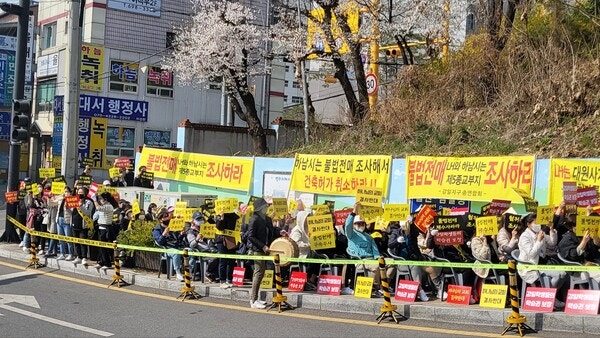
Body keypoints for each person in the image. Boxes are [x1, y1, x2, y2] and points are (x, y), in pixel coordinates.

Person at [345, 202, 396, 297]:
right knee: (376, 266)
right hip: (361, 260)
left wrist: (378, 257)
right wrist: (353, 212)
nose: (360, 225)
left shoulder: (369, 236)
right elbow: (347, 225)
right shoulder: (351, 234)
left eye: (362, 223)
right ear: (354, 225)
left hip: (372, 259)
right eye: (357, 223)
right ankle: (376, 288)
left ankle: (383, 285)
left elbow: (375, 250)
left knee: (392, 262)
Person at [518, 212, 568, 308]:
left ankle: (549, 296)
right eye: (535, 222)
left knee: (563, 274)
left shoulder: (540, 232)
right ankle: (550, 298)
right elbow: (531, 254)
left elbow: (552, 243)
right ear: (528, 224)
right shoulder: (524, 236)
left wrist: (551, 229)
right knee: (558, 275)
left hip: (541, 263)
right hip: (529, 266)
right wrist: (539, 241)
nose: (538, 225)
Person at [388, 219, 437, 301]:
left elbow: (416, 233)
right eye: (403, 225)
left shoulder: (412, 233)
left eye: (407, 225)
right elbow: (390, 245)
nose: (405, 227)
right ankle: (420, 290)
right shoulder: (396, 232)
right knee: (415, 266)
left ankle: (439, 289)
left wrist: (412, 223)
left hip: (414, 258)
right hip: (401, 261)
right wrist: (397, 241)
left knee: (430, 268)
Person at [247, 197, 274, 309]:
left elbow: (271, 232)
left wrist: (279, 232)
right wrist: (262, 246)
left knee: (261, 274)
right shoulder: (254, 219)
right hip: (258, 250)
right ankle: (253, 300)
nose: (266, 208)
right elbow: (251, 236)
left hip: (267, 249)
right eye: (265, 206)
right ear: (260, 208)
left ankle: (256, 298)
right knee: (258, 274)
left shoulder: (267, 219)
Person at [557, 215, 600, 284]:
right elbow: (573, 255)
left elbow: (593, 251)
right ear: (572, 227)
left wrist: (595, 240)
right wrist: (584, 242)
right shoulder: (566, 239)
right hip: (579, 270)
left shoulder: (582, 235)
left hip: (593, 264)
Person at [152, 210, 185, 281]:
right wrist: (164, 234)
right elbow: (159, 242)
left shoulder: (172, 227)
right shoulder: (157, 230)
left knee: (190, 251)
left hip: (177, 246)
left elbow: (177, 239)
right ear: (161, 220)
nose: (167, 219)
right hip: (167, 249)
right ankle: (178, 273)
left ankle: (189, 272)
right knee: (176, 253)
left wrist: (181, 234)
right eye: (165, 217)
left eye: (168, 217)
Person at [93, 192, 118, 269]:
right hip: (100, 228)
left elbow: (98, 208)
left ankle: (107, 263)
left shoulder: (109, 206)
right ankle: (101, 262)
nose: (100, 200)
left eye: (101, 198)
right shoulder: (104, 205)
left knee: (104, 247)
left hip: (106, 229)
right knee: (101, 247)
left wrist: (94, 200)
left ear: (105, 199)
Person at [215, 211, 240, 288]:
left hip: (231, 240)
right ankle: (222, 281)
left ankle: (230, 279)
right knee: (223, 261)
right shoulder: (219, 215)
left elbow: (237, 226)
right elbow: (219, 227)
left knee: (231, 261)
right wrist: (221, 218)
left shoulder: (235, 216)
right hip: (221, 240)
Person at [72, 186, 94, 265]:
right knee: (76, 242)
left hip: (83, 225)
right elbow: (72, 210)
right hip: (75, 224)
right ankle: (79, 256)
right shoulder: (75, 200)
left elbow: (88, 212)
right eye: (79, 193)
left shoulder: (88, 202)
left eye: (81, 193)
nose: (80, 195)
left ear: (85, 193)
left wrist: (81, 206)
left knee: (83, 242)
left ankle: (84, 257)